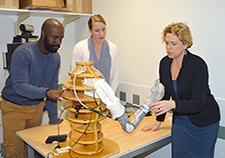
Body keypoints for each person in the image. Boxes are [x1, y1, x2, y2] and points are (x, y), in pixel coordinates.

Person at [141, 22, 220, 158]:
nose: (168, 48)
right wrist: (158, 121)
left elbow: (198, 103)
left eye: (173, 44)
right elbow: (164, 94)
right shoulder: (164, 63)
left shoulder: (198, 65)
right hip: (181, 121)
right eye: (166, 43)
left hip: (204, 122)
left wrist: (173, 105)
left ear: (185, 44)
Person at [1, 18, 65, 158]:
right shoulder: (23, 53)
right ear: (43, 34)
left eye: (61, 38)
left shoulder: (56, 58)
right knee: (16, 154)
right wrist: (47, 92)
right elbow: (20, 87)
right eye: (54, 37)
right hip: (14, 108)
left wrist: (53, 119)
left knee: (33, 148)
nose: (58, 42)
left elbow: (52, 89)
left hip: (36, 108)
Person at [71, 14, 119, 92]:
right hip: (86, 96)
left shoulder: (113, 48)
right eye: (97, 30)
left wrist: (110, 98)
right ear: (90, 31)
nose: (101, 34)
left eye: (103, 29)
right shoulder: (79, 48)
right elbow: (75, 77)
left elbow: (115, 76)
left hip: (107, 96)